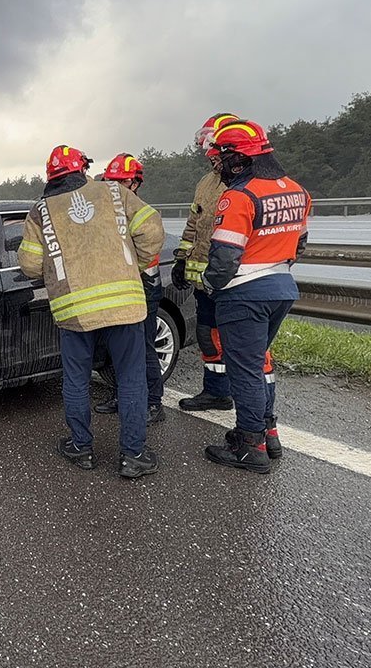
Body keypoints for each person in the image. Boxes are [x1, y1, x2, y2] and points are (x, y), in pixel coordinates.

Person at [20, 145, 164, 479]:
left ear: (50, 176)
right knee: (131, 380)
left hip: (75, 310)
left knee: (76, 381)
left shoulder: (40, 210)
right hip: (125, 306)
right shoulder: (114, 192)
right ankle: (133, 456)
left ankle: (81, 448)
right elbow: (152, 230)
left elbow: (29, 265)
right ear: (82, 169)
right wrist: (135, 264)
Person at [200, 120, 309, 473]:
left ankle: (250, 446)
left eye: (221, 159)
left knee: (244, 371)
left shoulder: (239, 197)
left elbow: (224, 258)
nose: (218, 167)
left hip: (244, 295)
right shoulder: (297, 191)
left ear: (237, 160)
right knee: (259, 363)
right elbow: (300, 244)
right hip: (282, 288)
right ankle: (268, 432)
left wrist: (210, 284)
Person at [172, 113, 241, 412]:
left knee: (239, 342)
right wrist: (181, 260)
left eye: (213, 149)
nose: (209, 156)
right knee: (207, 336)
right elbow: (194, 224)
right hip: (205, 282)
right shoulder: (206, 183)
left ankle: (251, 404)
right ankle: (216, 392)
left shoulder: (245, 183)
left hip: (234, 281)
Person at [93, 154, 165, 424]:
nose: (114, 188)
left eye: (121, 183)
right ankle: (121, 395)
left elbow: (147, 253)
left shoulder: (142, 212)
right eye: (110, 182)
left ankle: (154, 403)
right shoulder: (107, 211)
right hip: (118, 287)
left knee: (143, 346)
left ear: (135, 184)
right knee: (116, 345)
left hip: (144, 286)